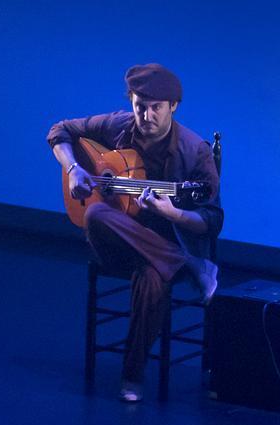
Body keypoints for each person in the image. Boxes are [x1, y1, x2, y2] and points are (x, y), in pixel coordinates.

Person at [47, 64, 223, 403]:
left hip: (162, 247)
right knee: (97, 212)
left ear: (173, 107)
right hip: (116, 241)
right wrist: (72, 169)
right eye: (139, 105)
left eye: (156, 107)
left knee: (153, 277)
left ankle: (132, 375)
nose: (146, 115)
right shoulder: (118, 126)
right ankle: (190, 266)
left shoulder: (194, 151)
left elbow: (212, 220)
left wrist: (174, 213)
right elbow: (59, 131)